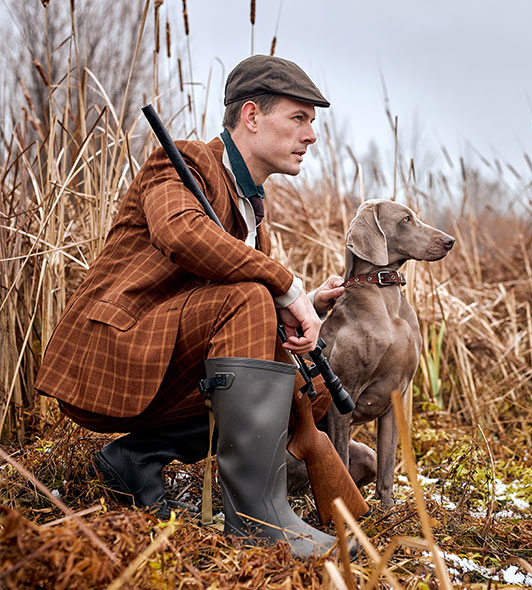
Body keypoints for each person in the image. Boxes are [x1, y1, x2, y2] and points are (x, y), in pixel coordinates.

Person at [35, 55, 350, 558]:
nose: (311, 134)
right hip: (118, 348)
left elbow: (226, 300)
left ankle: (135, 461)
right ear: (251, 116)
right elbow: (180, 234)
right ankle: (254, 519)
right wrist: (285, 285)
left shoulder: (253, 209)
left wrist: (299, 305)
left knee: (297, 385)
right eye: (299, 118)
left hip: (166, 359)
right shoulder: (181, 160)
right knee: (250, 296)